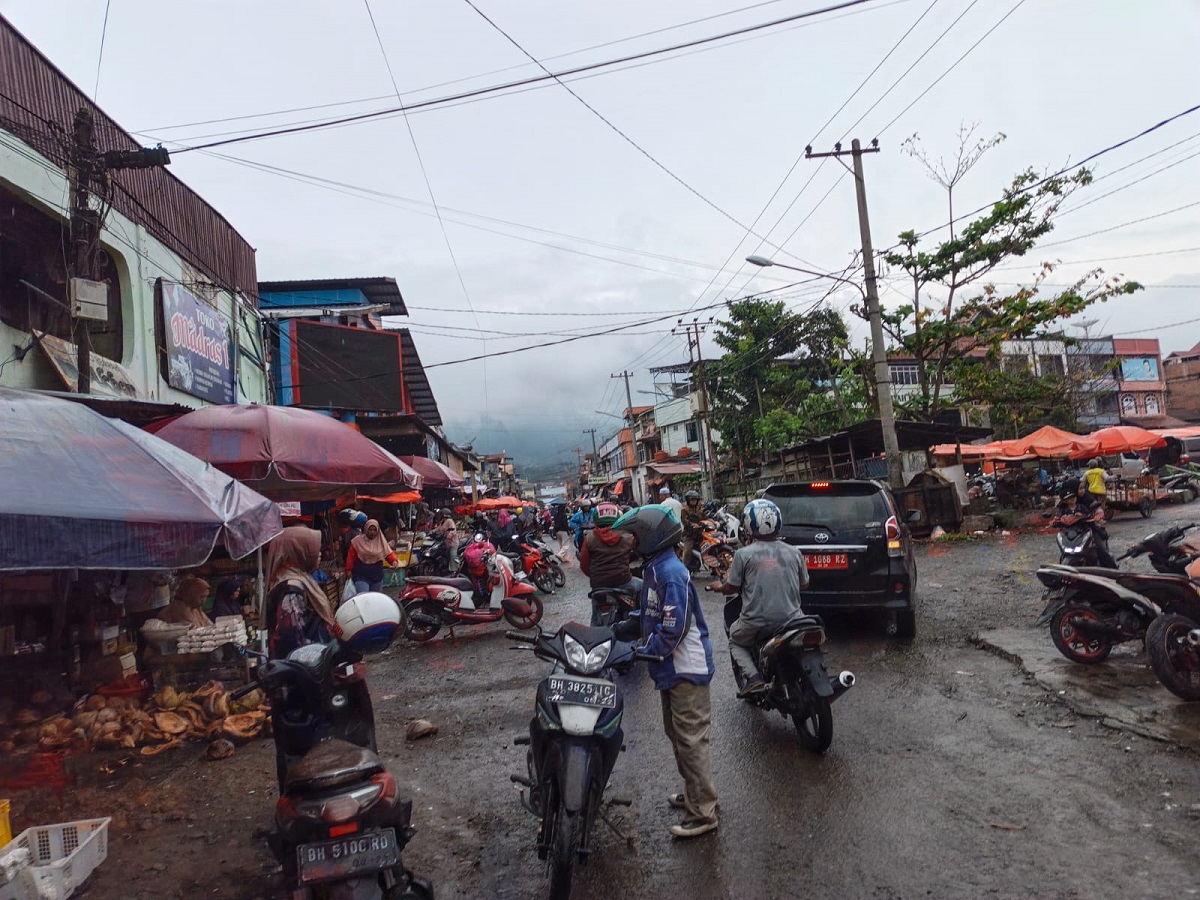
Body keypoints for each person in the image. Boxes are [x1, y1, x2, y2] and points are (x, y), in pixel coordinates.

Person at [612, 504, 719, 839]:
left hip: (685, 669)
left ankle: (704, 812)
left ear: (651, 537)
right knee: (677, 736)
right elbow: (651, 616)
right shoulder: (655, 570)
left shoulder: (670, 571)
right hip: (669, 669)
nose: (630, 543)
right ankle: (695, 795)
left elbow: (673, 628)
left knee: (690, 741)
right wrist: (623, 631)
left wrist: (641, 651)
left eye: (634, 537)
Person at [710, 499, 809, 697]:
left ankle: (754, 679)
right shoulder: (794, 551)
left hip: (756, 622)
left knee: (735, 641)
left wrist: (719, 587)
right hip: (794, 620)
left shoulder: (743, 554)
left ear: (748, 525)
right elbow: (804, 584)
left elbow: (732, 586)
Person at [265, 526, 335, 658]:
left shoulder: (300, 577)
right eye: (313, 549)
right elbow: (293, 638)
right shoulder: (291, 588)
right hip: (304, 667)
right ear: (298, 552)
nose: (319, 553)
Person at [579, 502, 639, 625]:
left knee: (595, 614)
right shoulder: (627, 537)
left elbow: (584, 565)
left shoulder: (589, 538)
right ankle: (637, 622)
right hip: (623, 582)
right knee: (643, 589)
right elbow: (639, 551)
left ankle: (593, 638)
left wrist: (595, 576)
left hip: (598, 585)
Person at [1055, 479, 1117, 568]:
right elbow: (1058, 514)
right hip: (1069, 531)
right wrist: (1056, 521)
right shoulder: (1064, 502)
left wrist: (1098, 515)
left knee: (1102, 550)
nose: (1082, 490)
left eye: (1083, 488)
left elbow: (1097, 508)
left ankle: (1113, 571)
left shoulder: (1087, 498)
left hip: (1088, 528)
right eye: (1080, 489)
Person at [347, 518, 399, 594]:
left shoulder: (381, 541)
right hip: (361, 575)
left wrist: (394, 561)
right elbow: (351, 557)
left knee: (375, 599)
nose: (372, 532)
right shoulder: (357, 541)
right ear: (365, 529)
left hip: (376, 575)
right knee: (364, 597)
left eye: (375, 530)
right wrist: (348, 570)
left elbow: (388, 553)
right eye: (370, 529)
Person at [680, 490, 705, 573]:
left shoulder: (699, 509)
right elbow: (684, 520)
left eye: (695, 499)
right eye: (692, 500)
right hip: (689, 535)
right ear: (688, 500)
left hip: (700, 533)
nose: (693, 501)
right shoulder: (685, 510)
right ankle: (683, 569)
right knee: (687, 551)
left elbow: (705, 518)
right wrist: (692, 524)